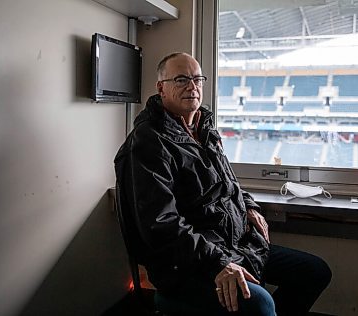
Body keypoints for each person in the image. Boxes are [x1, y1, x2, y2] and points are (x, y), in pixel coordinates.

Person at [114, 52, 331, 316]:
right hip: (189, 262)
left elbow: (227, 180)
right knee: (260, 305)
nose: (192, 86)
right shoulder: (148, 142)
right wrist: (219, 262)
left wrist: (250, 206)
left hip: (233, 244)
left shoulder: (205, 128)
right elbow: (161, 225)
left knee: (314, 272)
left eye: (197, 79)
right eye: (181, 79)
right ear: (162, 88)